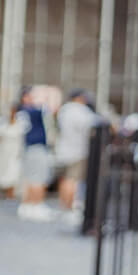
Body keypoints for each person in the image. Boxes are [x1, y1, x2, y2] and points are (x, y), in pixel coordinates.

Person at [17, 85, 60, 222]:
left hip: (29, 148)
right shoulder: (33, 111)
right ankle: (36, 205)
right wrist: (50, 94)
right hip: (37, 148)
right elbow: (53, 108)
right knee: (39, 179)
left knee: (30, 178)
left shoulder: (23, 111)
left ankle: (28, 205)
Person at [55, 89, 98, 221]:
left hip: (64, 149)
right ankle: (69, 208)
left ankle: (64, 207)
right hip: (77, 150)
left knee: (65, 179)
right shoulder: (79, 110)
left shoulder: (64, 109)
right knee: (73, 180)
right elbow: (92, 124)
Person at [0, 103, 27, 199]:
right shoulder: (1, 122)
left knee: (15, 170)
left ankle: (12, 191)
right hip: (4, 151)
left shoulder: (22, 122)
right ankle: (8, 190)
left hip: (17, 150)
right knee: (5, 170)